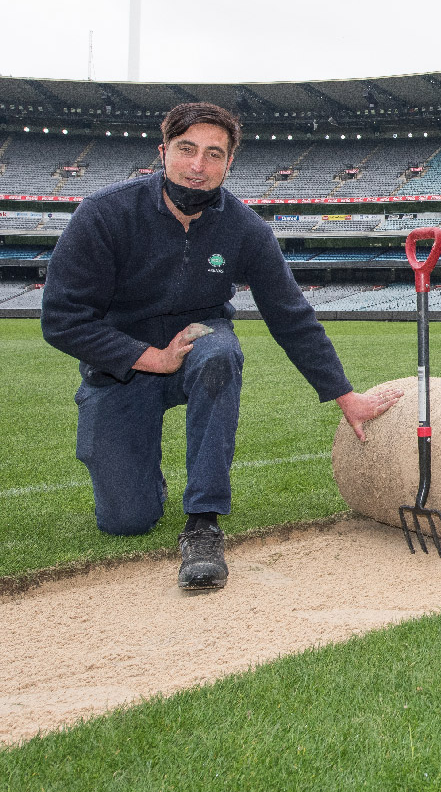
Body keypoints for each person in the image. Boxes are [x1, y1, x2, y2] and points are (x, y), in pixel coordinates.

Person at [41, 103, 401, 592]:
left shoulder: (245, 228)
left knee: (219, 351)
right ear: (163, 151)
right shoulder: (104, 214)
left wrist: (345, 395)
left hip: (198, 346)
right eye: (187, 150)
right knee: (127, 520)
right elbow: (62, 319)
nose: (198, 166)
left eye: (214, 155)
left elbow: (292, 316)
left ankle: (203, 521)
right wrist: (151, 359)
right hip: (121, 365)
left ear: (229, 165)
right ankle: (145, 481)